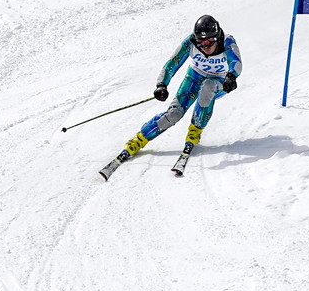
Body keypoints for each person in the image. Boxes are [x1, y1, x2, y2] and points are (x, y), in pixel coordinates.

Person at [101, 15, 242, 179]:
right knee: (174, 114)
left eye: (209, 42)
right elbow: (172, 63)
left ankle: (194, 132)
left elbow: (237, 63)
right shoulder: (190, 42)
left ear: (217, 37)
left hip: (219, 81)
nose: (205, 47)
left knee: (207, 88)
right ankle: (138, 141)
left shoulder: (227, 42)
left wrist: (231, 77)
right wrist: (162, 84)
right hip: (194, 77)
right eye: (201, 43)